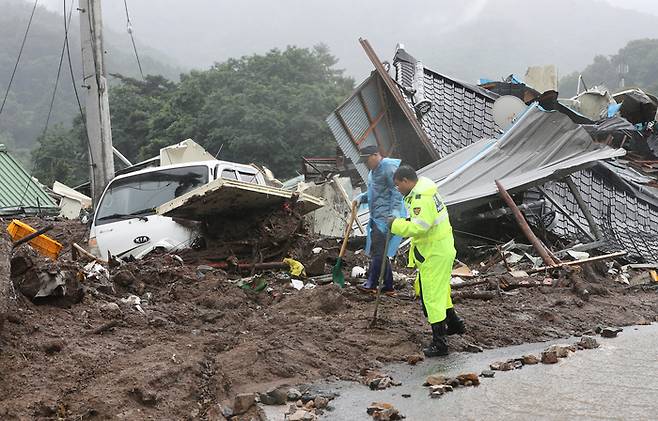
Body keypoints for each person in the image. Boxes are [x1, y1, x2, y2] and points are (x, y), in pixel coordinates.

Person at [388, 165, 465, 357]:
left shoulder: (420, 198)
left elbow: (420, 227)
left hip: (434, 252)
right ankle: (455, 324)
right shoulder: (424, 191)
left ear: (406, 181)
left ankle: (440, 343)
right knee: (439, 291)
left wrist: (395, 224)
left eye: (398, 185)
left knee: (431, 296)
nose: (398, 189)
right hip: (440, 248)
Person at [352, 145, 405, 295]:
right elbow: (375, 191)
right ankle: (388, 286)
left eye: (367, 160)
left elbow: (397, 190)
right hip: (377, 216)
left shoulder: (388, 167)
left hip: (386, 217)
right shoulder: (373, 171)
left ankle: (372, 284)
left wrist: (394, 213)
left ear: (376, 155)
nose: (365, 163)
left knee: (377, 252)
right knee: (380, 252)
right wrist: (361, 198)